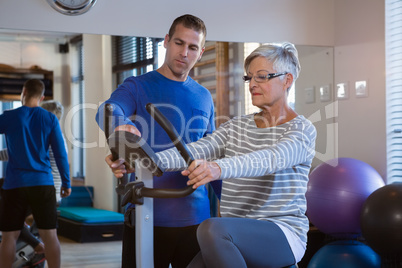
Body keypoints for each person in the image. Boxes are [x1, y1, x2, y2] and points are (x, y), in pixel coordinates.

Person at [152, 42, 317, 267]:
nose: (252, 85)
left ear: (287, 80)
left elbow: (270, 158)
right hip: (233, 236)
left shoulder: (301, 130)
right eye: (250, 78)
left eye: (262, 77)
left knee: (211, 227)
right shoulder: (236, 126)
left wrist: (217, 168)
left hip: (282, 235)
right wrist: (147, 160)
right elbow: (199, 149)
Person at [96, 14, 221, 268]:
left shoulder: (204, 97)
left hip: (197, 220)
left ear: (201, 52)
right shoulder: (138, 86)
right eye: (178, 43)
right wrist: (123, 127)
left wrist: (230, 207)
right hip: (146, 215)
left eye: (193, 47)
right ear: (166, 41)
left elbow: (214, 154)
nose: (184, 52)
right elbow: (108, 109)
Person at [0, 79, 71, 268]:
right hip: (42, 184)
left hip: (15, 185)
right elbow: (60, 154)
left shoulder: (8, 116)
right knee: (50, 236)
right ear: (42, 97)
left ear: (23, 92)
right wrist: (66, 182)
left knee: (9, 237)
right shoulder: (50, 119)